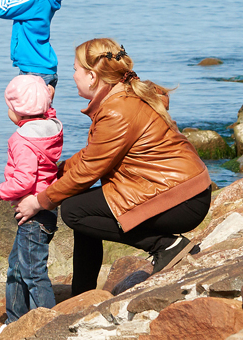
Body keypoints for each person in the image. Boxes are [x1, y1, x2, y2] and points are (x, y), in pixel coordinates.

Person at [14, 39, 212, 295]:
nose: (72, 76)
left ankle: (166, 245)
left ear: (93, 76)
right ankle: (83, 292)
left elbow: (89, 169)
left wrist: (40, 201)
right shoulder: (121, 96)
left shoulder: (118, 109)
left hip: (180, 199)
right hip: (181, 189)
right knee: (83, 203)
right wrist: (54, 174)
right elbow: (92, 155)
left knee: (74, 211)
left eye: (75, 69)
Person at [0, 75, 63, 323]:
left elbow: (24, 181)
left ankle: (48, 321)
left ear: (17, 111)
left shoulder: (22, 140)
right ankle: (15, 320)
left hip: (32, 214)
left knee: (32, 272)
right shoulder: (52, 127)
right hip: (45, 208)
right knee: (17, 267)